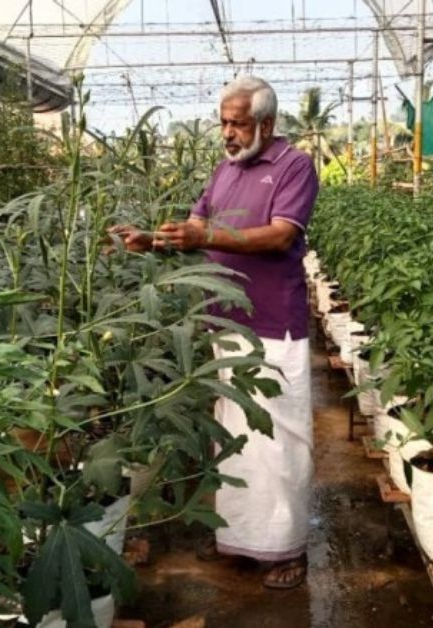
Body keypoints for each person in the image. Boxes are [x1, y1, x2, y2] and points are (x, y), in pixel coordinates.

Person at [112, 75, 318, 589]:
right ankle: (239, 535)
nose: (227, 133)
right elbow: (192, 227)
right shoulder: (223, 170)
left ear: (266, 124)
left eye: (238, 123)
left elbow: (281, 235)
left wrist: (210, 234)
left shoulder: (294, 166)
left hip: (274, 324)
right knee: (232, 437)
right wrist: (152, 241)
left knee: (278, 442)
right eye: (223, 123)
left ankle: (286, 549)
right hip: (224, 322)